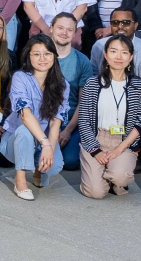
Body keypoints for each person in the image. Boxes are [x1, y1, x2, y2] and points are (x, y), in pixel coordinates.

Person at [0, 34, 69, 200]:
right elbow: (25, 115)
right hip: (16, 139)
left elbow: (55, 122)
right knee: (25, 131)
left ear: (54, 55)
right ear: (28, 56)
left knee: (54, 166)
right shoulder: (20, 78)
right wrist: (46, 144)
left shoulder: (63, 84)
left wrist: (49, 149)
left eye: (47, 54)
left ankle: (38, 172)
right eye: (36, 54)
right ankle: (21, 179)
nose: (42, 58)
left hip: (43, 140)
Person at [78, 35, 141, 199]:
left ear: (130, 57)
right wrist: (95, 151)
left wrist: (119, 149)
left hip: (124, 141)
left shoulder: (138, 85)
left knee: (120, 176)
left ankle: (116, 178)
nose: (118, 57)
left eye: (124, 52)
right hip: (96, 138)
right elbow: (84, 120)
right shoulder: (92, 84)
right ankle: (100, 174)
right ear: (105, 55)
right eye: (114, 51)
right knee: (95, 193)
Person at [48, 13, 93, 172]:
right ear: (51, 28)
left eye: (69, 29)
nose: (64, 33)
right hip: (44, 122)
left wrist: (67, 131)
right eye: (60, 28)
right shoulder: (39, 56)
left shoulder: (82, 61)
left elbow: (84, 102)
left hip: (71, 123)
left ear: (75, 33)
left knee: (70, 162)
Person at [90, 9, 141, 80]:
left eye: (126, 22)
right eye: (115, 22)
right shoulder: (99, 45)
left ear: (135, 26)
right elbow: (93, 76)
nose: (120, 26)